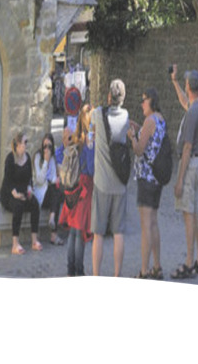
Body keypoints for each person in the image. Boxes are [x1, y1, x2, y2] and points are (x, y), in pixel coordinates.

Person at [169, 65, 198, 279]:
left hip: (191, 165)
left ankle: (189, 262)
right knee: (195, 212)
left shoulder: (194, 112)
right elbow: (185, 101)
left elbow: (186, 147)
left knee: (188, 215)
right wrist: (174, 81)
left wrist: (179, 179)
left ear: (189, 86)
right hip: (197, 163)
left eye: (184, 83)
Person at [90, 79, 130, 277]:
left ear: (108, 96)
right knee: (118, 233)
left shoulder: (98, 114)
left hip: (101, 183)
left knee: (98, 234)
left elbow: (90, 127)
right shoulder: (126, 116)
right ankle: (117, 275)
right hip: (120, 183)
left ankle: (97, 275)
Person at [128, 87, 167, 280]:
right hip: (157, 179)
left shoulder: (149, 120)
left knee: (145, 226)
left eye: (144, 100)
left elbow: (139, 150)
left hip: (146, 178)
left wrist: (133, 136)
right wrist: (139, 128)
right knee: (154, 224)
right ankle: (157, 266)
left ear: (151, 101)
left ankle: (144, 270)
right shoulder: (160, 119)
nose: (142, 104)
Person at [59, 103, 95, 275]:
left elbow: (61, 155)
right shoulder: (88, 143)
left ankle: (70, 269)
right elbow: (92, 168)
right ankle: (78, 271)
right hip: (84, 189)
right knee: (79, 233)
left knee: (73, 232)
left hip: (71, 188)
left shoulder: (74, 139)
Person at [0, 131, 42, 255]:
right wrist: (15, 194)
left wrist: (29, 188)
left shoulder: (27, 157)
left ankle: (34, 240)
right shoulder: (10, 158)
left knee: (34, 204)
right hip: (9, 194)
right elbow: (8, 180)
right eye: (25, 142)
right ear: (18, 144)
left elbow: (29, 178)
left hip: (23, 191)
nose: (26, 145)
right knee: (18, 206)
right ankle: (15, 243)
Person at [33, 133, 64, 245]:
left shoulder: (53, 158)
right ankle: (54, 234)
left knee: (56, 192)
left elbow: (53, 177)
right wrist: (45, 161)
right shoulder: (38, 157)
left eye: (49, 146)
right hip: (41, 195)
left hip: (51, 194)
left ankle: (52, 219)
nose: (47, 149)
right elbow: (40, 180)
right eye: (45, 146)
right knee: (54, 192)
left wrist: (56, 179)